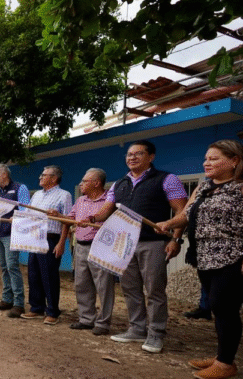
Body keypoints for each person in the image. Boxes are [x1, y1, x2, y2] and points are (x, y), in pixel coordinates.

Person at [156, 140, 243, 379]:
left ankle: (226, 363)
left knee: (224, 306)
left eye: (214, 159)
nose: (206, 163)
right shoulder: (203, 187)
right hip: (205, 256)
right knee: (218, 307)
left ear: (234, 161)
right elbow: (186, 215)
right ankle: (222, 356)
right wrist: (168, 224)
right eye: (206, 158)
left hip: (236, 256)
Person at [91, 140, 188, 353]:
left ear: (151, 157)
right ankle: (136, 329)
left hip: (152, 243)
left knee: (154, 289)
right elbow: (106, 210)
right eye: (129, 154)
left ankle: (156, 333)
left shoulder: (167, 179)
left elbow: (183, 213)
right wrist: (90, 217)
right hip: (124, 244)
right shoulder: (119, 183)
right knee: (130, 288)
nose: (132, 158)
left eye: (138, 154)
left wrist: (176, 239)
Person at [53, 168, 115, 335]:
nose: (81, 184)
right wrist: (58, 215)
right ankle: (86, 319)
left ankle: (103, 323)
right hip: (80, 246)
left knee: (103, 286)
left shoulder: (109, 201)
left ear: (96, 183)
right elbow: (70, 219)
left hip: (100, 248)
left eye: (84, 181)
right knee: (82, 284)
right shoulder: (80, 200)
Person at [21, 165, 72, 325]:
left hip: (51, 239)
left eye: (43, 175)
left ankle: (52, 311)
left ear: (54, 178)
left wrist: (61, 243)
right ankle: (36, 307)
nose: (40, 178)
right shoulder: (36, 195)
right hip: (34, 238)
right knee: (33, 274)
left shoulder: (64, 195)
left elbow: (68, 221)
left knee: (48, 276)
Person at [0, 164, 30, 318]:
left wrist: (18, 216)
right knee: (3, 266)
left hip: (12, 234)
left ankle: (18, 304)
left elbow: (26, 209)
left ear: (4, 174)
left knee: (12, 266)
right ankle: (7, 299)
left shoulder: (20, 188)